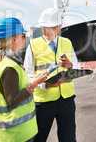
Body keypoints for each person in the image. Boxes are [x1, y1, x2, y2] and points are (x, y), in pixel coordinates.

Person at [0, 17, 48, 142]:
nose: (25, 38)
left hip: (13, 132)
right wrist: (35, 83)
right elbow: (12, 101)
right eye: (22, 35)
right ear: (13, 39)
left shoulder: (4, 62)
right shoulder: (9, 67)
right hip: (16, 134)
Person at [24, 8, 79, 142]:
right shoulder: (33, 45)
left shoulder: (67, 42)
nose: (52, 30)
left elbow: (77, 67)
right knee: (39, 138)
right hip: (44, 102)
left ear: (59, 27)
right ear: (43, 27)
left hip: (66, 100)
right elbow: (28, 74)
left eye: (55, 27)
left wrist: (70, 65)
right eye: (49, 27)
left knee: (69, 138)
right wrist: (45, 84)